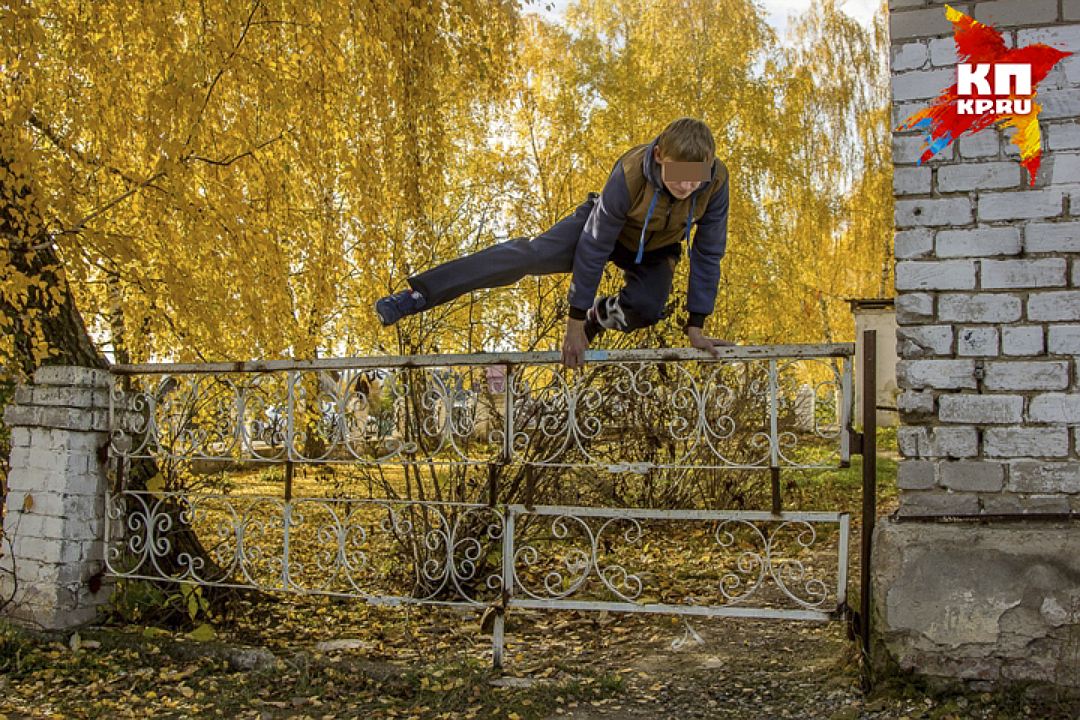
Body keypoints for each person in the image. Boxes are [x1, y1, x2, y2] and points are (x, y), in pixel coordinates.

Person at [375, 117, 733, 369]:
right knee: (527, 256)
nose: (687, 187)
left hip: (656, 248)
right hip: (599, 229)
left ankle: (600, 315)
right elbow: (594, 246)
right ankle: (418, 295)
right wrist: (573, 324)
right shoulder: (630, 172)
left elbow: (708, 251)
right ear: (659, 157)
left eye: (695, 177)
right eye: (679, 175)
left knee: (647, 307)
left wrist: (696, 325)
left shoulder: (714, 183)